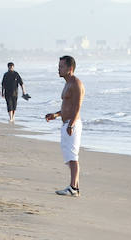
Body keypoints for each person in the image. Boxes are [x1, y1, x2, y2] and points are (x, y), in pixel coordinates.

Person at [45, 55, 85, 197]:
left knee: (73, 157)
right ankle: (76, 187)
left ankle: (73, 187)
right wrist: (55, 115)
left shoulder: (76, 83)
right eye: (59, 66)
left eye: (61, 66)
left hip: (72, 124)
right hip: (66, 123)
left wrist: (72, 124)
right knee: (68, 156)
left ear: (70, 68)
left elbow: (77, 106)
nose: (58, 69)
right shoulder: (67, 83)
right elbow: (67, 107)